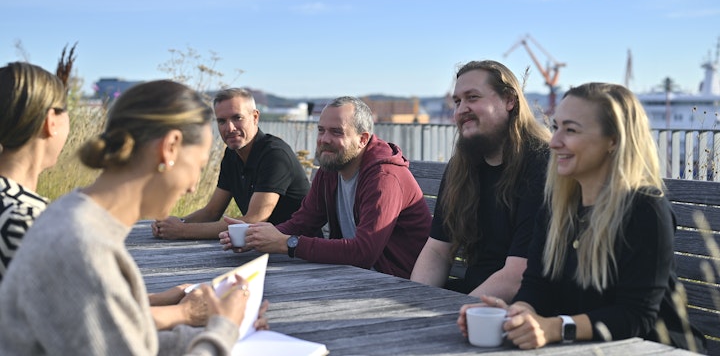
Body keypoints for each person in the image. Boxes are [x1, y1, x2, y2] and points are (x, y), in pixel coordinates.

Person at [0, 80, 268, 354]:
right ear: (170, 147)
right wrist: (224, 328)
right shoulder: (82, 246)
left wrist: (226, 331)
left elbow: (123, 341)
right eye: (198, 166)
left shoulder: (71, 216)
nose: (192, 186)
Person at [458, 83, 707, 352]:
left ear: (613, 140)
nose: (554, 142)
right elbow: (536, 286)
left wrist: (556, 328)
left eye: (571, 130)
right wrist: (518, 314)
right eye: (555, 128)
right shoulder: (557, 206)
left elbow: (636, 314)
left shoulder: (644, 208)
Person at [220, 96, 432, 279]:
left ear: (362, 139)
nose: (324, 140)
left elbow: (364, 252)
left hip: (398, 283)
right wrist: (256, 237)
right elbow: (304, 221)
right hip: (354, 275)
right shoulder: (331, 167)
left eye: (336, 132)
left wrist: (288, 244)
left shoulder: (384, 177)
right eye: (321, 130)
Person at [410, 60, 550, 301]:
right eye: (457, 101)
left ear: (509, 100)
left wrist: (456, 313)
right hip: (472, 298)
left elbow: (518, 274)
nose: (461, 109)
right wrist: (414, 303)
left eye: (472, 97)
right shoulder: (462, 166)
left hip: (523, 308)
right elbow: (437, 251)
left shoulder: (541, 162)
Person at [152, 88, 310, 240]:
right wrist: (172, 224)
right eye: (222, 121)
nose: (229, 128)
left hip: (296, 250)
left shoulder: (275, 155)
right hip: (260, 246)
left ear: (255, 117)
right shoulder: (232, 155)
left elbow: (253, 220)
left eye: (237, 118)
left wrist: (181, 231)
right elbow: (211, 212)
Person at [0, 61, 71, 282]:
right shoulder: (30, 220)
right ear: (51, 121)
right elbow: (80, 314)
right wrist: (177, 313)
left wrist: (157, 301)